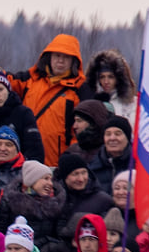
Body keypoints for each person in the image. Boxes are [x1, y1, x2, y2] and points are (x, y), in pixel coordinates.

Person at [6, 34, 90, 164]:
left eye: (66, 57)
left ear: (74, 61)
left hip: (58, 164)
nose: (60, 61)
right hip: (23, 162)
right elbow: (3, 86)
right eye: (57, 55)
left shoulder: (80, 90)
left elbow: (82, 131)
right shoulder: (30, 80)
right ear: (49, 57)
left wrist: (71, 158)